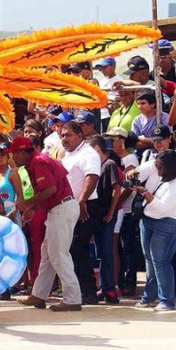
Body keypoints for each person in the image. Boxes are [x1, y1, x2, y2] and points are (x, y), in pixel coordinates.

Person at [10, 137, 82, 311]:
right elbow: (47, 191)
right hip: (59, 208)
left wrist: (27, 204)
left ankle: (72, 299)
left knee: (58, 254)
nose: (13, 158)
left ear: (21, 153)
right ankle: (39, 295)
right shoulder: (35, 162)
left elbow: (51, 190)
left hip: (61, 208)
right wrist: (32, 207)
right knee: (47, 255)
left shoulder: (38, 162)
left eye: (14, 154)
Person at [130, 150, 176, 311]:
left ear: (170, 168)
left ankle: (167, 301)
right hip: (148, 220)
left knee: (161, 261)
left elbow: (162, 208)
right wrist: (133, 173)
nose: (157, 170)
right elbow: (144, 168)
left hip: (169, 223)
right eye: (157, 165)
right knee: (150, 260)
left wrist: (143, 191)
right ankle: (149, 297)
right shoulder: (157, 167)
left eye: (160, 167)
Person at [60, 121, 101, 305]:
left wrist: (82, 200)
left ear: (79, 135)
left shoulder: (88, 153)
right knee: (71, 249)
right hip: (70, 206)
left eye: (67, 135)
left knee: (79, 247)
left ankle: (89, 292)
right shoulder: (67, 155)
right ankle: (78, 291)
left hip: (86, 206)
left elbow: (91, 177)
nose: (63, 139)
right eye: (62, 135)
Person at [103, 127, 139, 296]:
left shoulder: (130, 158)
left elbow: (130, 187)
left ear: (122, 141)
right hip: (121, 209)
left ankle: (127, 283)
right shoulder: (116, 159)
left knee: (127, 248)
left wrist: (115, 202)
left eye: (114, 140)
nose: (111, 144)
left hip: (128, 209)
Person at [89, 135, 122, 303]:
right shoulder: (96, 166)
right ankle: (104, 286)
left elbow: (117, 190)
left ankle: (109, 288)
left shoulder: (109, 165)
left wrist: (110, 212)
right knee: (100, 252)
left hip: (107, 215)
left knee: (107, 252)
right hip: (98, 215)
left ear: (96, 149)